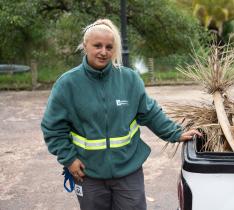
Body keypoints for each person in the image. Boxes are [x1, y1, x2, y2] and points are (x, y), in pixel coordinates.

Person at [41, 18, 201, 210]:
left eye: (109, 47)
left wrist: (176, 133)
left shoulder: (129, 79)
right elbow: (52, 127)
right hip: (88, 173)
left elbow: (149, 113)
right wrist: (68, 159)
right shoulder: (67, 84)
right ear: (85, 46)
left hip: (128, 172)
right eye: (97, 45)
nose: (103, 52)